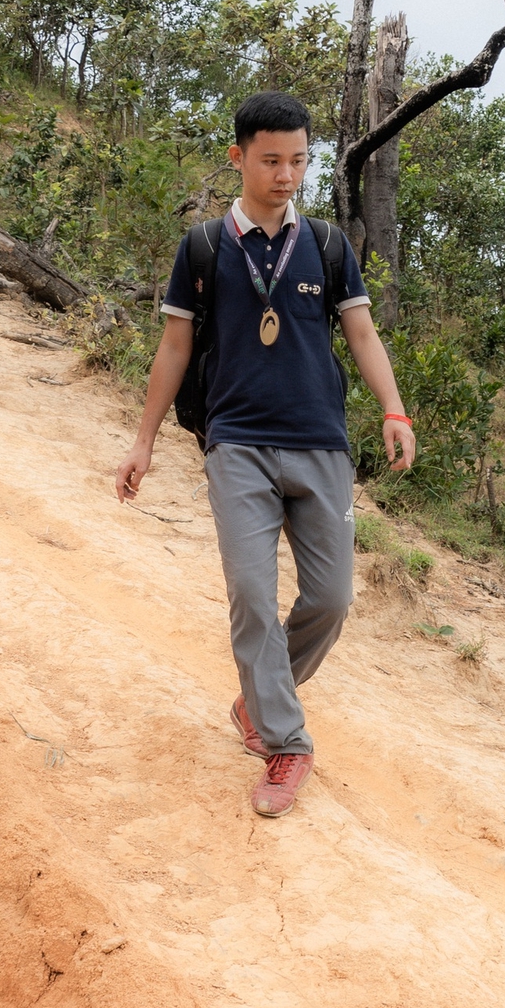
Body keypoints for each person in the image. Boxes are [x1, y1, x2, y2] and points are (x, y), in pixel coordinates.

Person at [114, 89, 416, 819]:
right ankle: (287, 743)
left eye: (299, 161)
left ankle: (256, 702)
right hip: (237, 444)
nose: (286, 176)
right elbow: (175, 347)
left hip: (321, 445)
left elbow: (363, 336)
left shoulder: (329, 244)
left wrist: (393, 407)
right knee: (252, 596)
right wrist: (145, 439)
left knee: (333, 598)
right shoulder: (206, 247)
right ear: (239, 157)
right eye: (271, 160)